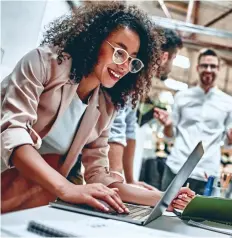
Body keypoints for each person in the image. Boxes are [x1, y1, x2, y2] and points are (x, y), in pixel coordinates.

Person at [1, 2, 193, 214]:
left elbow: (99, 176)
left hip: (26, 196)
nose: (124, 66)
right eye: (119, 52)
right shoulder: (43, 63)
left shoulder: (105, 105)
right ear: (94, 41)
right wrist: (67, 189)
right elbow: (13, 134)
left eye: (132, 60)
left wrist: (165, 198)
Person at [154, 48, 232, 195]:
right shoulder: (182, 97)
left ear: (219, 69)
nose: (208, 69)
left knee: (202, 216)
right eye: (204, 65)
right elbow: (169, 135)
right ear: (197, 68)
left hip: (207, 173)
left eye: (213, 66)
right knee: (165, 213)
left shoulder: (229, 103)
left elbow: (228, 144)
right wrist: (168, 125)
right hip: (177, 168)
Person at [108, 28, 183, 190]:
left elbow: (129, 129)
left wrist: (130, 180)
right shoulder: (129, 77)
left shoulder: (139, 83)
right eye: (174, 58)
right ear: (165, 57)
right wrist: (117, 182)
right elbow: (116, 128)